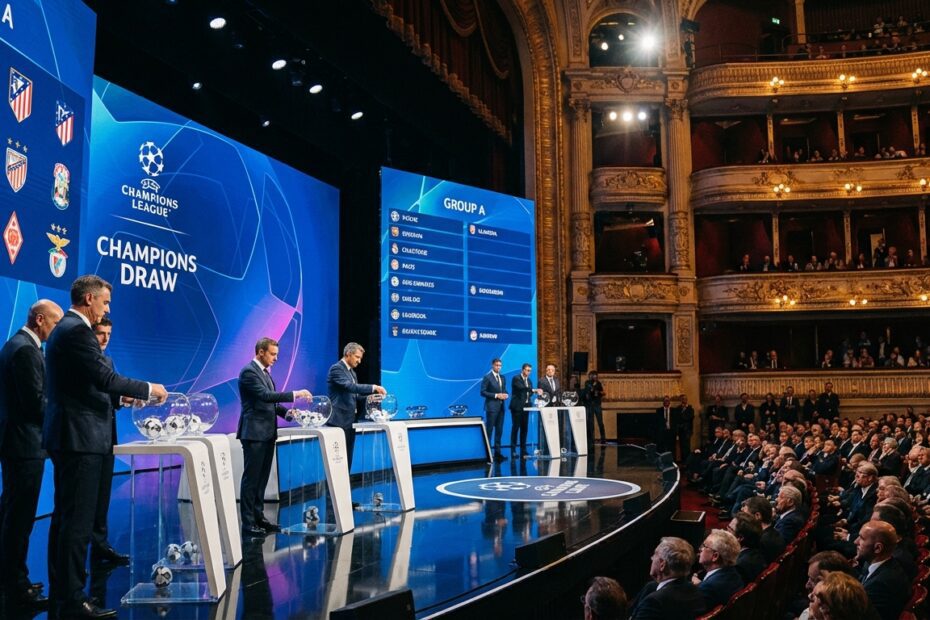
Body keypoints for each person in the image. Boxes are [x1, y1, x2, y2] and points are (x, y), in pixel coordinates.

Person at [44, 275, 168, 619]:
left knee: (67, 520)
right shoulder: (76, 331)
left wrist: (127, 398)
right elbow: (105, 379)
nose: (107, 309)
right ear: (88, 299)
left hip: (75, 437)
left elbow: (91, 387)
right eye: (105, 302)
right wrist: (149, 387)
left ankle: (63, 593)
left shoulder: (68, 330)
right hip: (79, 439)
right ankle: (72, 599)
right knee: (76, 523)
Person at [0, 299, 62, 610]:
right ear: (39, 320)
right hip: (24, 445)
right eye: (54, 321)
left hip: (21, 444)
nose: (57, 328)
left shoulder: (22, 345)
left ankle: (14, 577)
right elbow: (34, 404)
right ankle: (16, 586)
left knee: (15, 515)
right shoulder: (25, 349)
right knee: (18, 518)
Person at [237, 337, 312, 538]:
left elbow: (271, 403)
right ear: (261, 352)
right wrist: (295, 394)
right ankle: (248, 523)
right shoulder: (248, 372)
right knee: (251, 479)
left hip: (268, 432)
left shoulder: (265, 374)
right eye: (272, 354)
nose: (276, 358)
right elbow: (264, 396)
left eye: (276, 354)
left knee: (262, 479)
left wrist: (287, 413)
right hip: (254, 433)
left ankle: (259, 518)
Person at [88, 317, 131, 567]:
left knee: (103, 494)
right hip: (89, 436)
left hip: (107, 436)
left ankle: (101, 545)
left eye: (108, 334)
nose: (105, 339)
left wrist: (129, 400)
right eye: (100, 333)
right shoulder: (86, 360)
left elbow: (113, 398)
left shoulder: (108, 361)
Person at [327, 342, 385, 470]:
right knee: (338, 463)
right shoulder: (336, 369)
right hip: (338, 422)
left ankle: (344, 487)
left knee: (347, 461)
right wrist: (373, 387)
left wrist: (371, 398)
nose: (359, 361)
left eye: (360, 358)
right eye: (357, 357)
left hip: (350, 422)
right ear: (348, 354)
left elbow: (355, 395)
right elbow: (350, 387)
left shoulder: (352, 372)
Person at [629, 537, 706, 619]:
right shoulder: (696, 591)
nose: (651, 558)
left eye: (655, 554)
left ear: (662, 564)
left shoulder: (654, 602)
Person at [855, 520, 910, 620]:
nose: (856, 542)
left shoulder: (880, 584)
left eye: (862, 538)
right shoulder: (888, 565)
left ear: (877, 548)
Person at [692, 529, 744, 608]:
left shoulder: (707, 588)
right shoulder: (735, 574)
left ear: (715, 556)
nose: (700, 549)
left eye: (704, 546)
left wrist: (699, 587)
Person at [481, 358, 509, 462]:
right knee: (489, 430)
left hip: (501, 407)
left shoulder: (502, 377)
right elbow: (483, 392)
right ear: (493, 365)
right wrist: (497, 395)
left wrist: (505, 394)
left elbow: (503, 389)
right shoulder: (487, 377)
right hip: (492, 408)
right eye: (497, 365)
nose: (498, 367)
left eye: (500, 365)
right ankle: (487, 454)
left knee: (499, 430)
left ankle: (497, 453)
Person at [509, 363, 539, 458]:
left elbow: (529, 392)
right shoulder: (516, 378)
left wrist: (531, 393)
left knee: (524, 429)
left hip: (526, 407)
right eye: (527, 370)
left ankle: (523, 450)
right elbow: (522, 388)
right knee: (515, 428)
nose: (528, 372)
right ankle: (513, 450)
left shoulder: (529, 380)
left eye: (530, 370)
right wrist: (533, 390)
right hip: (517, 407)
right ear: (522, 370)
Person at [583, 371, 606, 444]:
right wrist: (593, 388)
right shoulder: (587, 382)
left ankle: (603, 438)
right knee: (591, 423)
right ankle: (591, 439)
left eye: (596, 376)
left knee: (600, 422)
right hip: (590, 405)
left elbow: (603, 392)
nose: (596, 377)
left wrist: (598, 392)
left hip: (597, 405)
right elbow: (589, 390)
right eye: (594, 376)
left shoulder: (598, 383)